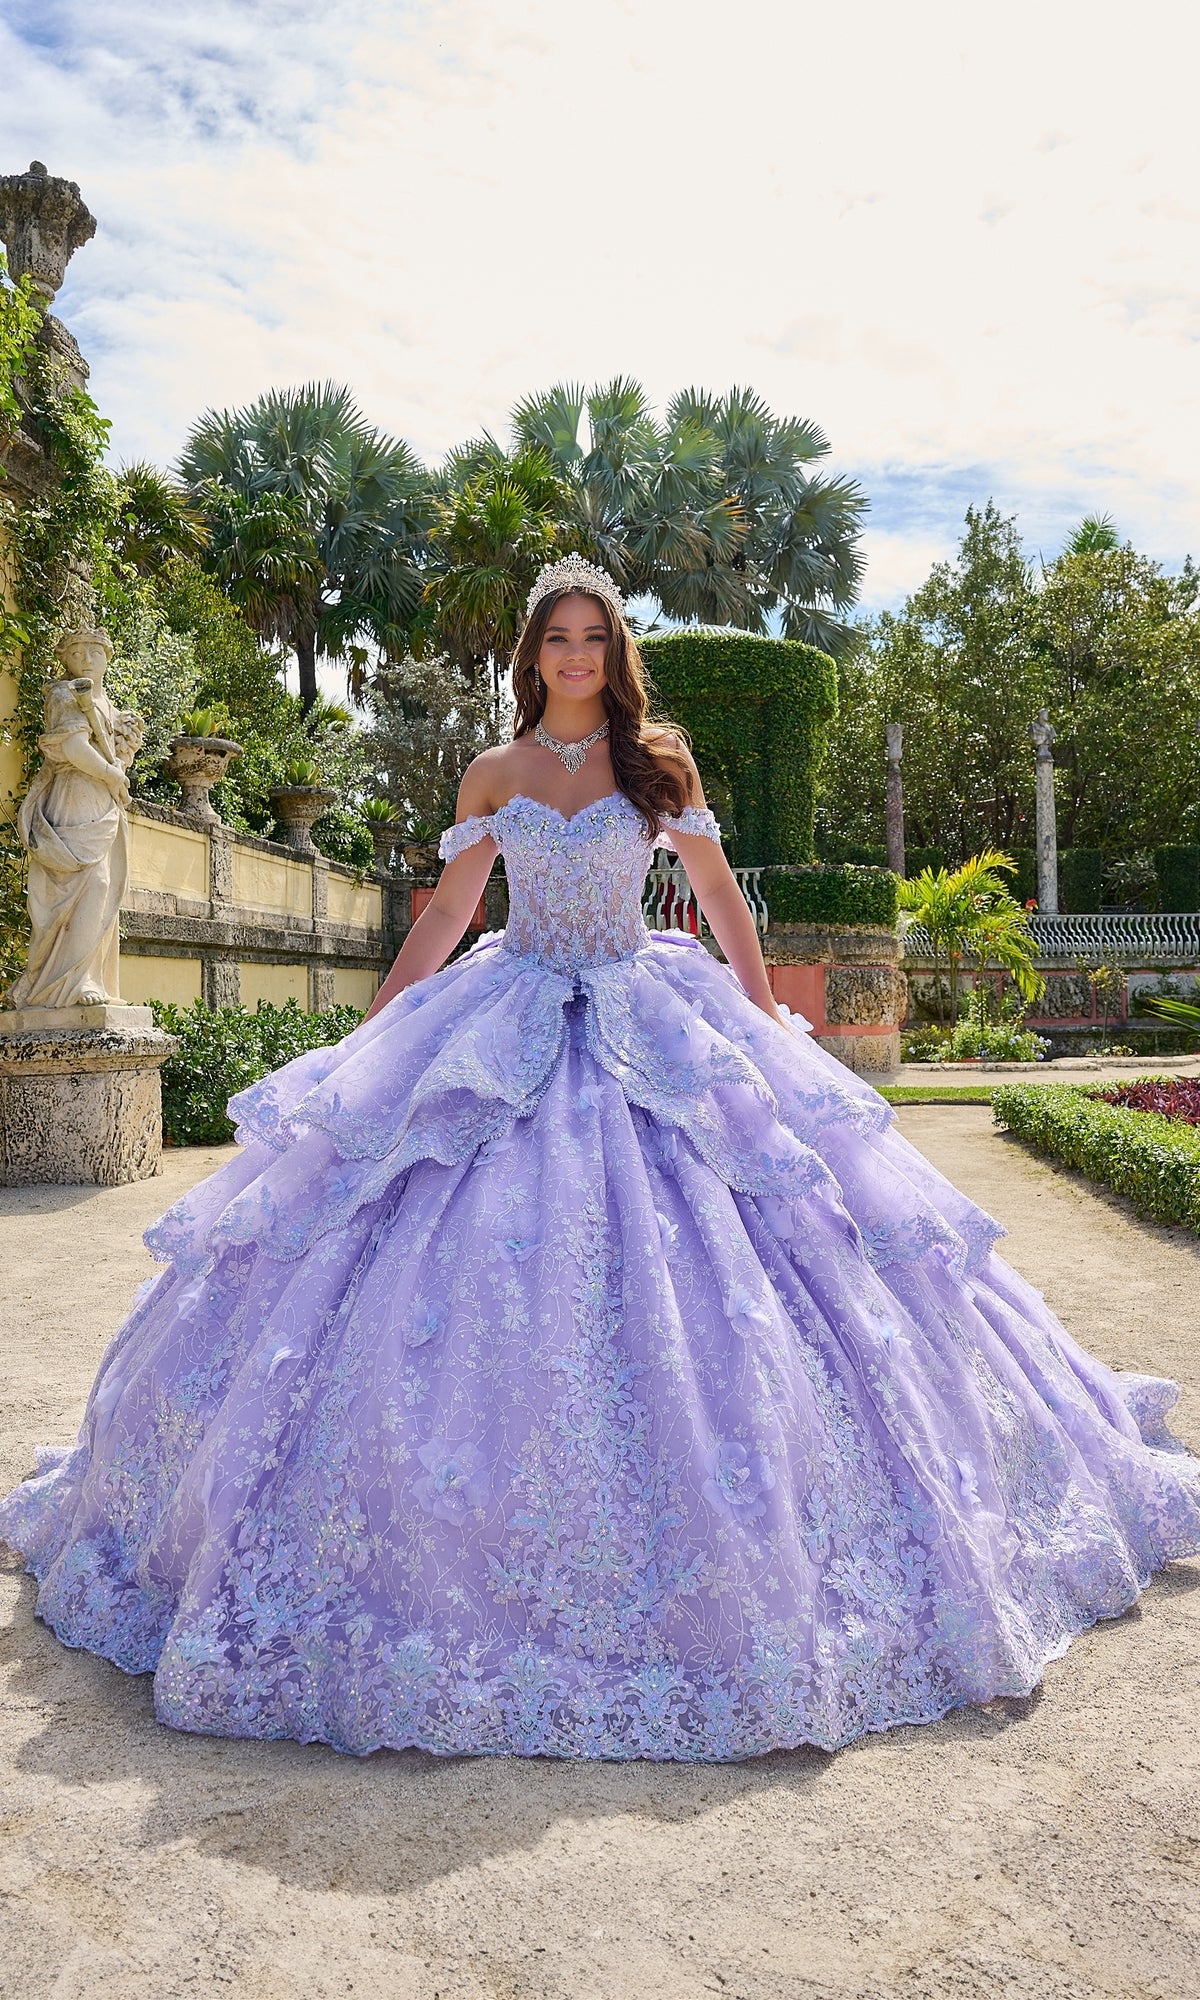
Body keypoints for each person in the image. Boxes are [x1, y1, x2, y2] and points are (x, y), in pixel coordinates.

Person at [3, 555, 1198, 1761]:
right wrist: (381, 1023)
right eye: (556, 637)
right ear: (532, 655)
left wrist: (763, 1009)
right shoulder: (497, 768)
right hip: (510, 1007)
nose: (574, 653)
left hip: (643, 1001)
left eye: (592, 636)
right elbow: (450, 907)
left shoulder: (657, 761)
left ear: (613, 651)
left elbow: (722, 898)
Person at [9, 627, 144, 1012]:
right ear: (66, 659)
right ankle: (56, 982)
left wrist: (125, 751)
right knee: (85, 883)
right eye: (78, 651)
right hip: (73, 797)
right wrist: (111, 773)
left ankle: (91, 976)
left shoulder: (110, 707)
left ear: (108, 658)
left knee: (104, 889)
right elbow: (71, 747)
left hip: (103, 804)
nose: (86, 658)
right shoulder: (64, 694)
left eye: (95, 651)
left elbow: (116, 759)